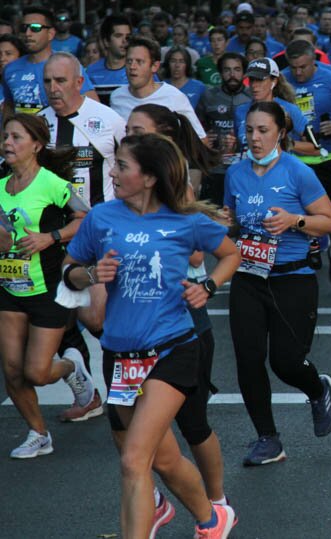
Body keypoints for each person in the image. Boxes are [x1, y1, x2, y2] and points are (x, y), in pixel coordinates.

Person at [63, 133, 239, 538]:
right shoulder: (102, 217)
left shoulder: (186, 220)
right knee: (164, 460)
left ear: (149, 178)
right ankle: (214, 520)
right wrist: (89, 275)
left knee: (133, 460)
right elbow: (69, 267)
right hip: (121, 355)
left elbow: (231, 254)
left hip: (172, 349)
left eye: (122, 166)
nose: (112, 171)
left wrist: (208, 286)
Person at [124, 105, 229, 531]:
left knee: (192, 423)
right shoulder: (120, 200)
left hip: (182, 323)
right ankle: (154, 500)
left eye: (138, 132)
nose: (128, 136)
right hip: (129, 338)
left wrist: (205, 283)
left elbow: (203, 252)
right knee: (129, 436)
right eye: (127, 130)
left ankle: (218, 505)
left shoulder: (178, 185)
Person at [222, 101, 331, 466]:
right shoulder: (236, 174)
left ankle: (317, 388)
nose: (255, 139)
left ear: (281, 134)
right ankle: (267, 438)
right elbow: (232, 222)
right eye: (250, 131)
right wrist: (220, 222)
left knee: (286, 362)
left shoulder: (297, 172)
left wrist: (295, 220)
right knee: (248, 359)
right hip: (249, 277)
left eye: (263, 131)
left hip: (293, 278)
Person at [0, 113, 92, 457]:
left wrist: (50, 237)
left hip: (47, 287)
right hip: (9, 287)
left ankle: (71, 365)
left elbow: (86, 217)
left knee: (36, 373)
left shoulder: (51, 183)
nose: (7, 143)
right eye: (5, 137)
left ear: (36, 145)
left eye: (16, 138)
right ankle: (38, 433)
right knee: (11, 369)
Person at [40, 52, 126, 421]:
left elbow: (135, 165)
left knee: (96, 319)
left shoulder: (107, 120)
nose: (53, 89)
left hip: (99, 233)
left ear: (79, 82)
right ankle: (88, 391)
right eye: (47, 82)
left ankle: (132, 381)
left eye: (61, 81)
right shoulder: (38, 126)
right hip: (51, 237)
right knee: (57, 315)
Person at [283, 39, 331, 285]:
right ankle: (312, 247)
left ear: (313, 61)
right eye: (294, 68)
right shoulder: (282, 81)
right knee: (301, 210)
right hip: (295, 157)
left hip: (329, 155)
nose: (298, 73)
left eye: (303, 67)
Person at [3, 6, 97, 116]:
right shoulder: (10, 69)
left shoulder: (67, 64)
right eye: (24, 28)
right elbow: (9, 106)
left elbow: (92, 105)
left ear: (51, 33)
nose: (28, 33)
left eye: (36, 28)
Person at [110, 36, 207, 139]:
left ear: (154, 66)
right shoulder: (117, 97)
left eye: (139, 62)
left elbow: (200, 139)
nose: (132, 67)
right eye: (129, 61)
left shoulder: (174, 97)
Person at [196, 53, 252, 206]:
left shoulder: (252, 97)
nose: (232, 75)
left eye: (237, 70)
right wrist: (205, 137)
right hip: (216, 167)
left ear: (244, 73)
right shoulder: (208, 95)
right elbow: (197, 127)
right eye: (227, 70)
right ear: (220, 73)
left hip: (246, 167)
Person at [87, 13, 133, 104]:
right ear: (106, 41)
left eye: (128, 36)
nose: (125, 41)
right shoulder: (90, 73)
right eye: (118, 36)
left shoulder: (141, 70)